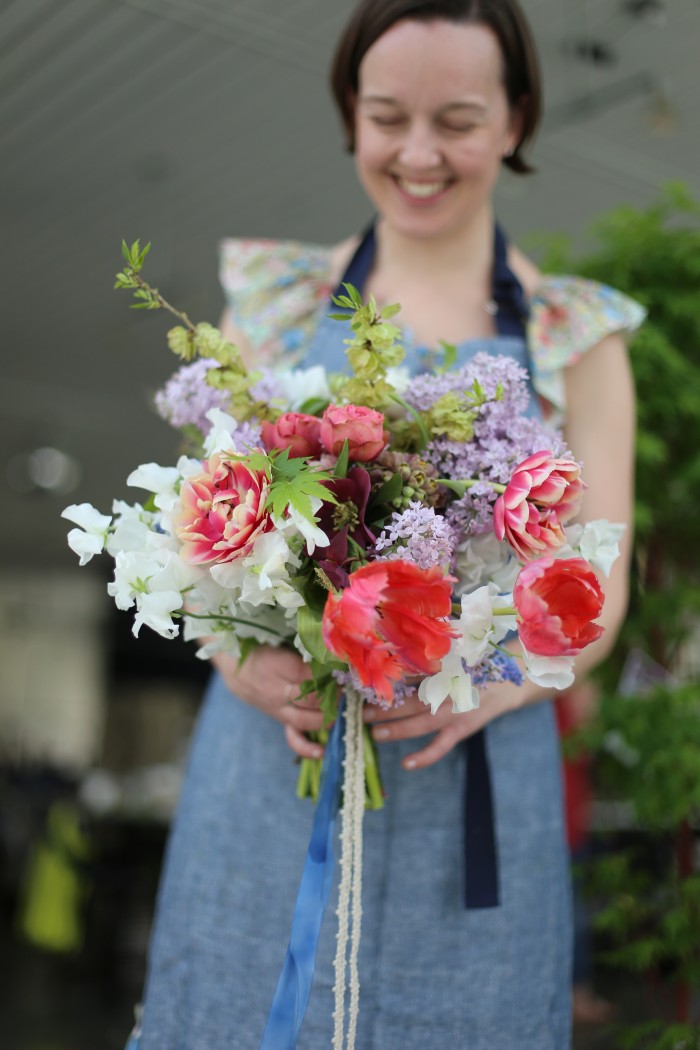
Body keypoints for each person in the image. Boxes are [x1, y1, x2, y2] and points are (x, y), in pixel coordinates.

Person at [134, 1, 642, 1047]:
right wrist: (240, 662)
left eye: (456, 119)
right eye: (385, 116)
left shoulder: (574, 335)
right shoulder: (272, 302)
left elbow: (608, 582)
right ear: (349, 118)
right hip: (272, 757)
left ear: (515, 119)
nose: (417, 153)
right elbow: (198, 535)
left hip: (473, 767)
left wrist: (494, 685)